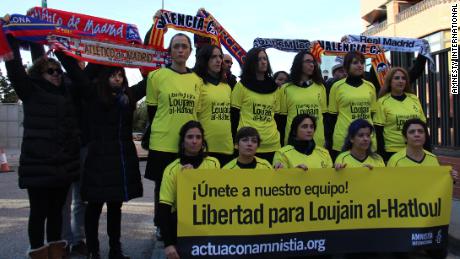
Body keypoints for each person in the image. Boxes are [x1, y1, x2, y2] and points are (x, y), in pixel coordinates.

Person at [59, 51, 147, 259]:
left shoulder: (129, 98)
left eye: (120, 75)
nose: (117, 79)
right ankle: (93, 250)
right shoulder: (93, 95)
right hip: (98, 158)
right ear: (104, 78)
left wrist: (157, 57)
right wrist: (61, 51)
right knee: (94, 206)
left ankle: (115, 249)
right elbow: (77, 74)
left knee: (116, 207)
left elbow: (148, 81)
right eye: (113, 75)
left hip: (120, 159)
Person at [4, 34, 79, 258]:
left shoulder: (67, 93)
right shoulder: (30, 91)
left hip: (63, 165)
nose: (56, 75)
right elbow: (15, 69)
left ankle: (56, 251)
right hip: (38, 165)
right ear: (39, 74)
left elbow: (78, 77)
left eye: (58, 71)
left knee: (56, 212)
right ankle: (37, 252)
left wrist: (59, 50)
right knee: (39, 213)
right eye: (51, 71)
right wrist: (11, 38)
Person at [143, 33, 202, 238]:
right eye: (176, 46)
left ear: (190, 51)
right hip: (162, 141)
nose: (180, 50)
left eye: (184, 46)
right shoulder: (156, 76)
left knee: (187, 185)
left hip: (188, 145)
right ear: (170, 51)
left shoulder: (197, 80)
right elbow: (152, 111)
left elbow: (198, 114)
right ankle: (161, 225)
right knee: (162, 186)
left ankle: (184, 226)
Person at [387, 119, 458, 259]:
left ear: (425, 136)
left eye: (420, 131)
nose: (417, 134)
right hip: (403, 215)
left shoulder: (432, 159)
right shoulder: (395, 160)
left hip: (426, 216)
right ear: (405, 137)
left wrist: (451, 178)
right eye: (412, 132)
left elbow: (439, 186)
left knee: (440, 253)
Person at [158, 121, 220, 259]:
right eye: (190, 137)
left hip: (209, 228)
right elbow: (163, 209)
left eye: (198, 137)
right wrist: (168, 244)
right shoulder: (171, 169)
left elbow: (221, 196)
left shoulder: (214, 163)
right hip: (181, 230)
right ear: (182, 141)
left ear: (203, 141)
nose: (194, 141)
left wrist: (194, 178)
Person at [231, 47, 281, 163]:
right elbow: (233, 116)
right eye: (259, 59)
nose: (263, 62)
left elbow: (277, 117)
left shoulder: (274, 87)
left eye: (265, 58)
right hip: (247, 144)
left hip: (272, 144)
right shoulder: (241, 86)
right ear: (251, 62)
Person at [327, 51, 378, 161]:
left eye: (362, 62)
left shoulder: (370, 86)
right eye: (355, 62)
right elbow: (331, 118)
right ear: (346, 67)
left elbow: (373, 114)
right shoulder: (336, 87)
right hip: (342, 138)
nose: (359, 65)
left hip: (367, 139)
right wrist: (330, 142)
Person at [374, 67, 426, 162]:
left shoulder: (414, 99)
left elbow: (423, 127)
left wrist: (427, 149)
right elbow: (378, 132)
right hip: (392, 151)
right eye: (397, 78)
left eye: (403, 78)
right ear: (390, 81)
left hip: (415, 150)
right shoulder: (382, 102)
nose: (401, 81)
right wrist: (382, 155)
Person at [194, 45, 233, 166]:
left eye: (220, 56)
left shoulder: (227, 86)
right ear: (205, 59)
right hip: (205, 148)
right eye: (213, 57)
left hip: (226, 147)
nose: (218, 60)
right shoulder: (197, 83)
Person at [279, 50, 327, 147]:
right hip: (293, 142)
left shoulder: (320, 87)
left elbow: (324, 116)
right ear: (298, 64)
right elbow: (282, 119)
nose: (312, 64)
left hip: (317, 141)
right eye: (308, 61)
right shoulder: (285, 88)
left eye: (313, 61)